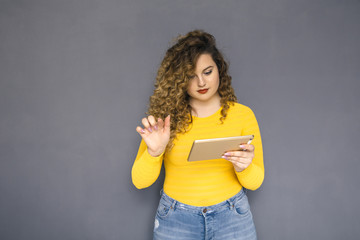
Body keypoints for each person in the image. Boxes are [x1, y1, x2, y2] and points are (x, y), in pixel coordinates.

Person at [131, 30, 264, 240]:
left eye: (207, 72)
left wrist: (244, 167)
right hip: (176, 219)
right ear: (179, 80)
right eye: (191, 76)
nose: (201, 82)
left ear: (219, 69)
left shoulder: (243, 115)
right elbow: (139, 182)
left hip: (232, 216)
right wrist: (154, 152)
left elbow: (255, 183)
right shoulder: (164, 121)